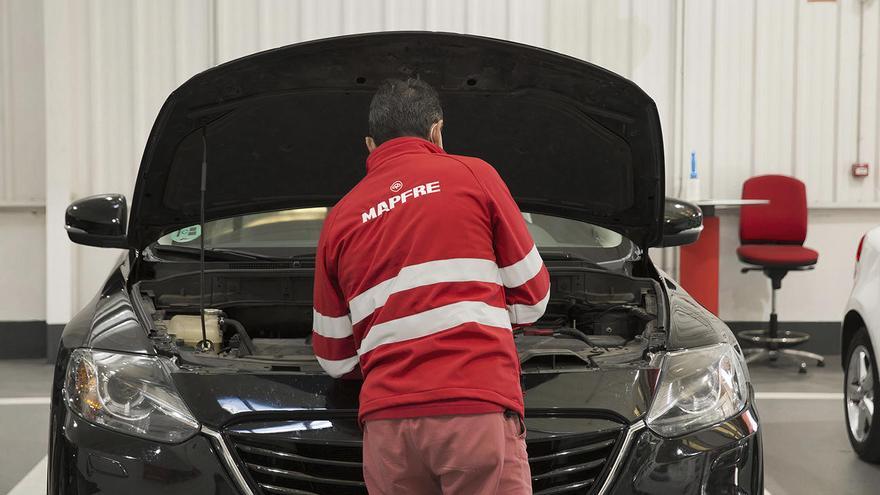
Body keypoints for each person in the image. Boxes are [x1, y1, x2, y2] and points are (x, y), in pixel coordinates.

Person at [311, 78, 549, 494]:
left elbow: (335, 358)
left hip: (388, 432)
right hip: (474, 410)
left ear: (371, 144)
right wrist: (479, 310)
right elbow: (533, 297)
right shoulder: (474, 175)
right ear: (437, 130)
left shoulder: (339, 218)